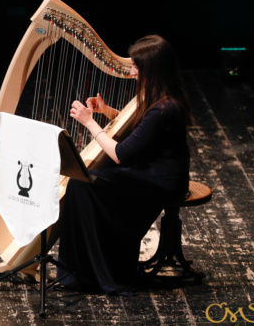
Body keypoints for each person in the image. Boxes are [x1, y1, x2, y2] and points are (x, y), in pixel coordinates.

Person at [57, 34, 192, 296]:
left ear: (151, 71)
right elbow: (142, 130)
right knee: (86, 182)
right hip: (150, 172)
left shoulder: (164, 107)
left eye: (135, 67)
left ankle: (97, 271)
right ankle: (91, 268)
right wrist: (107, 111)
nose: (131, 72)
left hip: (159, 181)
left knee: (83, 184)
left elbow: (120, 153)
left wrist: (90, 123)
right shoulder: (161, 97)